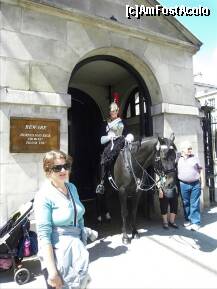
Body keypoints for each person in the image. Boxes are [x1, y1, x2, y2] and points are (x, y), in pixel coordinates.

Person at [34, 150, 97, 289]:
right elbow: (44, 235)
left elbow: (79, 216)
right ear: (48, 170)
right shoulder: (43, 195)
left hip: (76, 251)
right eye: (57, 168)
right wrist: (52, 272)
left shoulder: (72, 188)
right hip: (57, 256)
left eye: (66, 166)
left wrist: (82, 240)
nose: (63, 170)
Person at [177, 141, 203, 231]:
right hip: (183, 184)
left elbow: (200, 169)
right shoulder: (177, 158)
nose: (190, 150)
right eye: (189, 148)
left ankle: (196, 222)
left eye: (191, 148)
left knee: (194, 203)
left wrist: (201, 183)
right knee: (185, 203)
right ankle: (188, 219)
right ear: (183, 150)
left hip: (195, 183)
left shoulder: (195, 157)